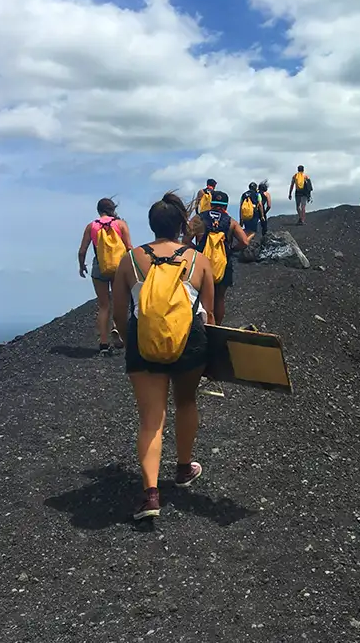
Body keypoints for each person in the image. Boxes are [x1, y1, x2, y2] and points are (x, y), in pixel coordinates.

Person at [112, 192, 216, 521]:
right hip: (190, 340)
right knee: (186, 402)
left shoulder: (130, 260)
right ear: (181, 225)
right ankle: (183, 469)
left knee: (150, 419)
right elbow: (210, 314)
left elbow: (119, 312)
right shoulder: (199, 260)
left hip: (143, 341)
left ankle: (151, 495)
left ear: (151, 224)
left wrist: (128, 338)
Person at [78, 198, 133, 355]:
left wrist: (82, 266)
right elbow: (129, 247)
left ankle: (103, 344)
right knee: (119, 302)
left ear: (98, 210)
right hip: (118, 266)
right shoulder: (121, 224)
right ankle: (117, 329)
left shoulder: (91, 226)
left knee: (104, 305)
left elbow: (82, 251)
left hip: (99, 266)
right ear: (113, 209)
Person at [188, 191, 248, 325]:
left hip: (201, 263)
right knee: (219, 298)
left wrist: (197, 250)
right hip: (223, 263)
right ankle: (217, 327)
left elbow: (186, 240)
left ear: (211, 204)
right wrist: (231, 250)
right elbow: (244, 241)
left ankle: (200, 325)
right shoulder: (231, 222)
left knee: (200, 295)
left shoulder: (198, 218)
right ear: (226, 206)